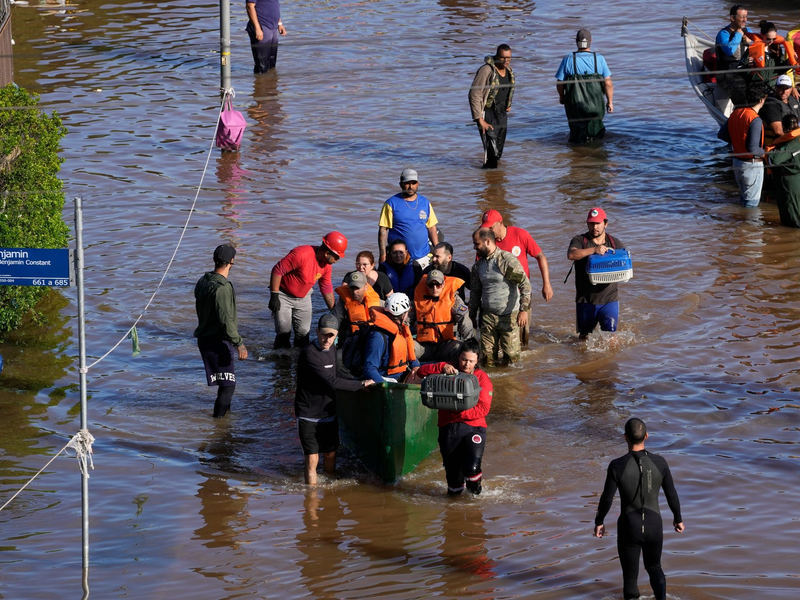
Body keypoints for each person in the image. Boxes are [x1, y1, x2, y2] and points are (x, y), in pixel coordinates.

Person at [594, 418, 685, 600]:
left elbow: (607, 498)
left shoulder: (616, 465)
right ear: (647, 436)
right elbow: (672, 494)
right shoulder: (660, 462)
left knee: (630, 577)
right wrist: (678, 518)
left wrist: (599, 521)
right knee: (654, 567)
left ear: (625, 437)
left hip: (629, 526)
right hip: (654, 525)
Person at [295, 314, 374, 485]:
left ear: (336, 334)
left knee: (330, 454)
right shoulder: (309, 354)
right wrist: (360, 384)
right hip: (308, 413)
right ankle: (311, 499)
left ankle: (329, 490)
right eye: (324, 334)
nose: (327, 339)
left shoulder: (331, 350)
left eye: (331, 335)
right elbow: (332, 381)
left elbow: (338, 374)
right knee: (312, 458)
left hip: (329, 413)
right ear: (317, 332)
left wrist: (357, 381)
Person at [417, 338, 492, 495]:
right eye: (464, 359)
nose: (466, 364)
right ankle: (453, 515)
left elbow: (484, 409)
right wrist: (442, 366)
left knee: (471, 469)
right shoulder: (448, 368)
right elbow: (420, 372)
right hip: (448, 427)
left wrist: (459, 411)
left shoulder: (482, 378)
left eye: (471, 361)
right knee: (454, 483)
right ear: (459, 357)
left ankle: (475, 506)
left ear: (477, 360)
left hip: (474, 427)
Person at [194, 245, 248, 418]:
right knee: (228, 386)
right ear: (231, 261)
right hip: (216, 341)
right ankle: (219, 427)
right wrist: (239, 344)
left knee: (226, 382)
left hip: (205, 339)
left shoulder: (204, 280)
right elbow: (226, 321)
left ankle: (226, 421)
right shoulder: (222, 288)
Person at [269, 232, 347, 349]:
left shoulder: (327, 265)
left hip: (304, 297)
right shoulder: (301, 254)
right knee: (284, 332)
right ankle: (280, 362)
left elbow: (325, 286)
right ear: (327, 253)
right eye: (337, 256)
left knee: (303, 333)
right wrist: (274, 296)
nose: (338, 259)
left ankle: (300, 359)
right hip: (283, 295)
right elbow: (277, 270)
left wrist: (333, 310)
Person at [470, 228, 531, 366]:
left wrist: (523, 310)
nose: (474, 247)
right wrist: (472, 315)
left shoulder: (505, 261)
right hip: (487, 316)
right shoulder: (478, 266)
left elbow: (525, 285)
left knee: (512, 359)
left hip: (508, 315)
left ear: (487, 241)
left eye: (476, 244)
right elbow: (475, 292)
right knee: (487, 359)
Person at [567, 208, 627, 339]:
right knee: (584, 339)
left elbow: (625, 262)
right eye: (591, 223)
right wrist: (594, 250)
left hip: (609, 299)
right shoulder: (579, 240)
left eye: (598, 223)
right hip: (585, 300)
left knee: (611, 337)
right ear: (587, 224)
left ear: (606, 223)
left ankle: (612, 360)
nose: (595, 227)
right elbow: (571, 254)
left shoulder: (614, 243)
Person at [555, 28, 613, 144]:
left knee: (576, 137)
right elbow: (608, 83)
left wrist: (562, 97)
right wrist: (609, 102)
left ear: (576, 41)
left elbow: (560, 83)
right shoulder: (599, 59)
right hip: (595, 105)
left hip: (575, 105)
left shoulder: (568, 59)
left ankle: (577, 156)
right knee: (596, 135)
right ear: (591, 41)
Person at [718, 82, 769, 207]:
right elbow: (753, 149)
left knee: (743, 201)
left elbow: (721, 135)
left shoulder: (736, 113)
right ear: (762, 99)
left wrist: (737, 140)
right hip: (751, 165)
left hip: (737, 163)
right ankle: (748, 226)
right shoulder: (755, 119)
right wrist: (766, 153)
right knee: (751, 205)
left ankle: (740, 225)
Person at [378, 168, 439, 268]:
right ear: (401, 184)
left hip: (423, 256)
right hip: (399, 259)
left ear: (418, 184)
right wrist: (383, 254)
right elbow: (383, 231)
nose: (411, 186)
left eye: (413, 183)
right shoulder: (391, 203)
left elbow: (432, 227)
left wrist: (437, 249)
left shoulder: (425, 202)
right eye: (407, 183)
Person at [412, 269, 475, 362]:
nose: (434, 288)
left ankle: (456, 371)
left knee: (459, 347)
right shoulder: (417, 300)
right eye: (431, 285)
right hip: (425, 347)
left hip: (446, 345)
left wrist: (470, 342)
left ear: (443, 284)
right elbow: (406, 320)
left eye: (438, 285)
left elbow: (464, 320)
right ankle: (411, 370)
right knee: (406, 345)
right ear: (426, 285)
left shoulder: (454, 300)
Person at [468, 44, 515, 169]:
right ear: (496, 56)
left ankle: (494, 184)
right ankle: (488, 181)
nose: (506, 61)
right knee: (491, 154)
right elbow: (474, 94)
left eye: (509, 58)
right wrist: (479, 119)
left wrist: (508, 104)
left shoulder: (509, 70)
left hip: (502, 114)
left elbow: (508, 89)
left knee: (498, 151)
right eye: (503, 57)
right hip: (488, 113)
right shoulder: (486, 70)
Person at [362, 293, 420, 383]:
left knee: (425, 379)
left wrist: (415, 365)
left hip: (400, 374)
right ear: (402, 315)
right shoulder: (378, 337)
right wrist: (385, 386)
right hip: (385, 379)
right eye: (407, 312)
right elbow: (369, 369)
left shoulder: (401, 329)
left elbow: (409, 353)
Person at [715, 5, 753, 108]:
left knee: (756, 94)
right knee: (741, 100)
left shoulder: (748, 31)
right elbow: (729, 51)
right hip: (725, 75)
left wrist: (751, 43)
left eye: (746, 16)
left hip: (743, 72)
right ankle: (741, 117)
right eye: (741, 17)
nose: (745, 20)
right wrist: (738, 34)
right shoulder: (723, 33)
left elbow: (759, 47)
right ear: (732, 18)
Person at [767, 113, 800, 226]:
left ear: (784, 128)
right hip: (796, 178)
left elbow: (774, 160)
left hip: (789, 182)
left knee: (792, 215)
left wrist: (768, 153)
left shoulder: (791, 144)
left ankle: (793, 239)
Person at [330, 271, 382, 338]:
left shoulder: (378, 303)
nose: (354, 292)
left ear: (366, 287)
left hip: (371, 337)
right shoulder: (342, 304)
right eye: (352, 288)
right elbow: (334, 320)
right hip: (351, 338)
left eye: (357, 288)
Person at [245, 0, 287, 74]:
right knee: (262, 64)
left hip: (273, 27)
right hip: (262, 26)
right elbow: (250, 6)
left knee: (271, 61)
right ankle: (260, 83)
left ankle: (271, 83)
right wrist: (257, 29)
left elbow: (274, 5)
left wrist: (279, 23)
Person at [758, 74, 800, 147]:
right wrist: (794, 142)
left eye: (787, 88)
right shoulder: (771, 104)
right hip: (778, 146)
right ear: (776, 88)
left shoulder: (793, 100)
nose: (784, 91)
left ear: (791, 89)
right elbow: (778, 131)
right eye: (781, 88)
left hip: (794, 142)